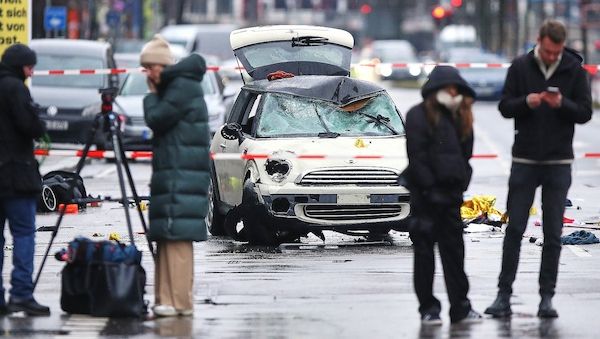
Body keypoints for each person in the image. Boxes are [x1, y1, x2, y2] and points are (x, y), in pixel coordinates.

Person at [485, 19, 592, 319]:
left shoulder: (573, 70)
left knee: (553, 233)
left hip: (558, 162)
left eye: (555, 53)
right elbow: (505, 106)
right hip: (525, 160)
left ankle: (547, 298)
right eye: (546, 52)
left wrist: (562, 105)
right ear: (539, 41)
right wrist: (527, 102)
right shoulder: (520, 67)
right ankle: (503, 295)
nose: (550, 57)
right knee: (515, 228)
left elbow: (585, 112)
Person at [403, 65, 481, 325]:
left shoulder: (462, 116)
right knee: (424, 256)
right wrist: (428, 189)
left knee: (454, 256)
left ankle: (460, 307)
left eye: (456, 88)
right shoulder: (417, 115)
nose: (453, 92)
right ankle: (428, 308)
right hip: (425, 199)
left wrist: (460, 185)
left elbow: (465, 157)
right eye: (448, 88)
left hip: (450, 199)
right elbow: (417, 157)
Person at [140, 35, 211, 317]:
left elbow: (156, 118)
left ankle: (178, 301)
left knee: (177, 240)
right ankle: (166, 299)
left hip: (181, 175)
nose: (147, 74)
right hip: (176, 172)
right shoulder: (179, 86)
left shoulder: (180, 88)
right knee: (168, 237)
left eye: (148, 68)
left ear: (160, 66)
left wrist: (150, 95)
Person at [0, 44, 50, 316]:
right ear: (20, 66)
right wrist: (36, 116)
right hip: (16, 176)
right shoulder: (16, 89)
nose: (32, 72)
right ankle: (21, 293)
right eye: (30, 66)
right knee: (23, 235)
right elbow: (30, 127)